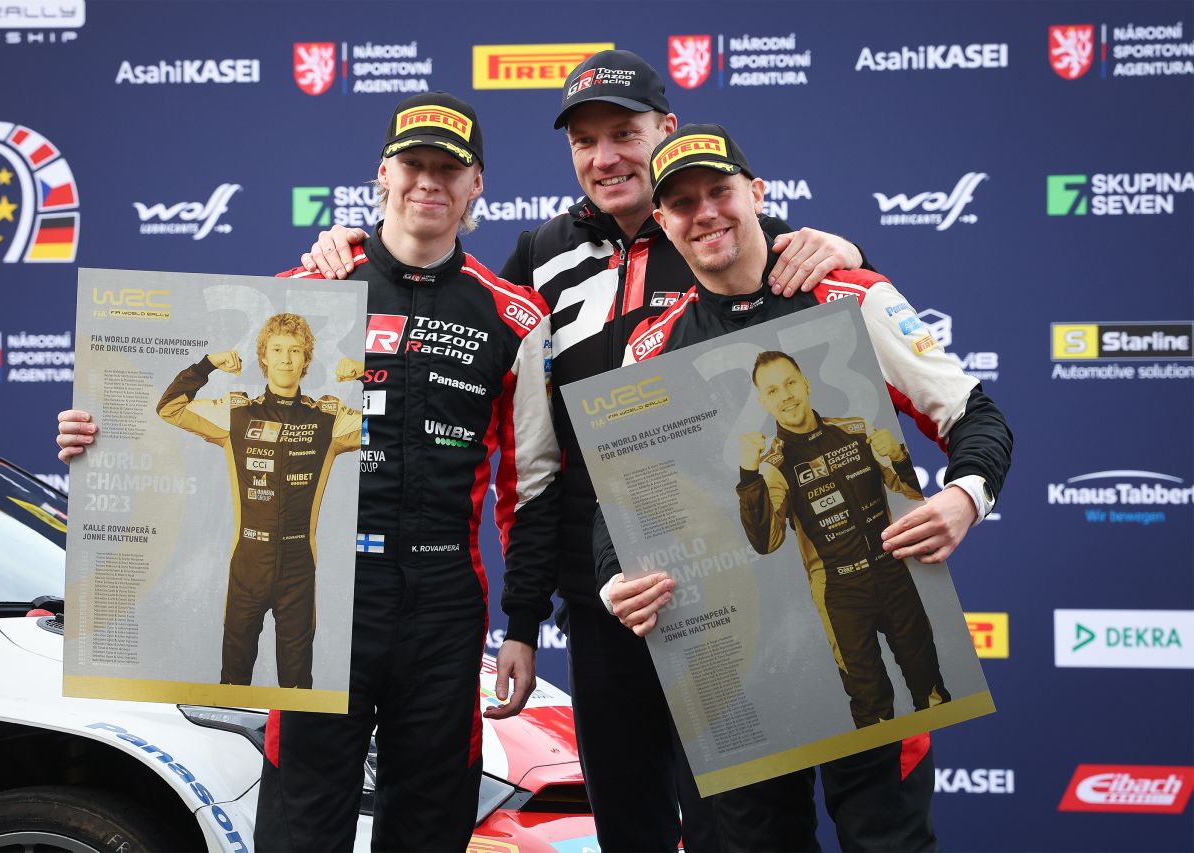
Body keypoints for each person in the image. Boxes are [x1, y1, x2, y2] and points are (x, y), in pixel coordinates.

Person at [296, 50, 872, 852]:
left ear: (666, 130)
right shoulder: (540, 255)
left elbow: (843, 316)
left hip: (733, 579)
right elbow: (453, 314)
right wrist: (348, 255)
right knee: (627, 820)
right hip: (602, 588)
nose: (606, 158)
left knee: (735, 827)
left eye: (624, 134)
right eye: (585, 141)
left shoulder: (726, 231)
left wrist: (842, 249)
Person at [58, 92, 562, 852]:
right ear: (382, 175)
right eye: (413, 164)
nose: (429, 181)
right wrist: (103, 436)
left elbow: (529, 489)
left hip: (443, 604)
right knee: (303, 814)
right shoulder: (305, 293)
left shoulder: (515, 316)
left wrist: (522, 624)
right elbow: (187, 424)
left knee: (431, 820)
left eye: (449, 168)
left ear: (476, 185)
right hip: (326, 591)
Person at [596, 124, 1012, 852]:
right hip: (742, 645)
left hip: (883, 601)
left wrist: (965, 497)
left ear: (756, 195)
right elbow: (625, 495)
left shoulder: (850, 295)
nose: (705, 214)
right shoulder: (650, 345)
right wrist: (613, 577)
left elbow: (974, 415)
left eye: (720, 191)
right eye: (683, 203)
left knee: (889, 840)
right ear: (661, 220)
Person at [738, 349, 950, 728]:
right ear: (763, 402)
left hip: (893, 574)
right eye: (772, 391)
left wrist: (899, 456)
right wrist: (748, 475)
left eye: (790, 383)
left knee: (931, 687)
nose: (785, 396)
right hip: (840, 593)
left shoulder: (857, 430)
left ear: (806, 384)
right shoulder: (772, 466)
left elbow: (913, 491)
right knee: (872, 708)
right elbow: (766, 542)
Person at [154, 313, 362, 688]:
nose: (286, 359)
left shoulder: (328, 419)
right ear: (263, 356)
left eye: (295, 350)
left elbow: (395, 428)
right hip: (249, 562)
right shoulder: (236, 413)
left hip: (299, 566)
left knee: (297, 685)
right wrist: (206, 365)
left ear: (306, 358)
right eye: (277, 349)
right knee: (234, 680)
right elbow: (170, 407)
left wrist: (371, 375)